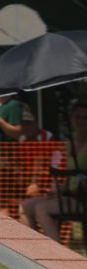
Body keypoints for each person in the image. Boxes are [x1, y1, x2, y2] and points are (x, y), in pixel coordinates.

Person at [20, 102, 87, 242]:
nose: (81, 121)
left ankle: (56, 252)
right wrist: (57, 190)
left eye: (85, 117)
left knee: (41, 208)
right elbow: (69, 178)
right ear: (71, 119)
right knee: (26, 206)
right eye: (77, 117)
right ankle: (34, 247)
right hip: (70, 196)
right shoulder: (71, 144)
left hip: (82, 198)